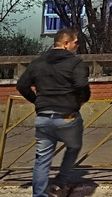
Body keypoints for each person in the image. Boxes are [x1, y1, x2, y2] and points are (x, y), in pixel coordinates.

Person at [16, 28, 90, 197]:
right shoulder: (75, 63)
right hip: (67, 117)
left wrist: (38, 102)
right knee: (74, 146)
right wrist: (81, 100)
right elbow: (81, 86)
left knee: (42, 160)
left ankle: (39, 194)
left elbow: (21, 85)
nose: (77, 46)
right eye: (75, 43)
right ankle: (61, 181)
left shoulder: (38, 62)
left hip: (43, 118)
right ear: (65, 43)